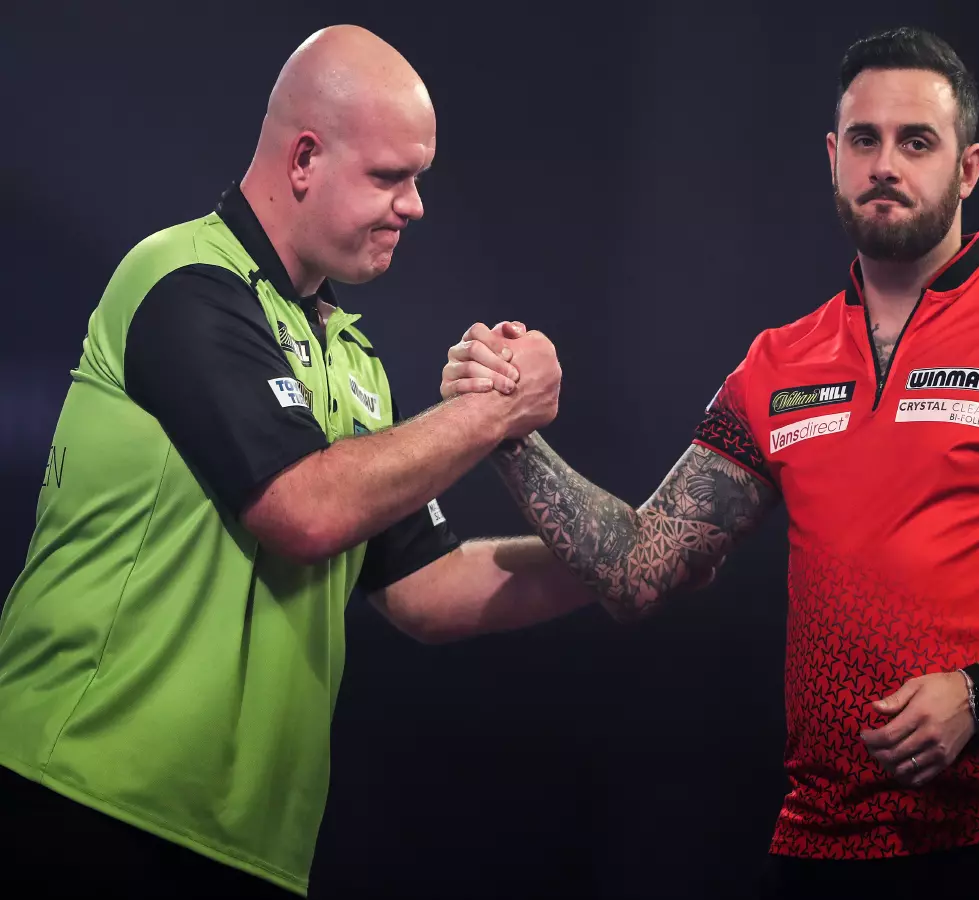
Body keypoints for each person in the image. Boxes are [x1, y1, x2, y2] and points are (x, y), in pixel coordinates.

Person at [442, 26, 979, 898]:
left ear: (968, 169)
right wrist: (500, 426)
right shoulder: (778, 364)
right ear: (832, 157)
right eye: (864, 140)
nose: (885, 165)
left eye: (916, 142)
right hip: (820, 843)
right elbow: (637, 570)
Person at [0, 25, 604, 898]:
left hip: (247, 844)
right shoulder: (182, 281)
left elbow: (427, 590)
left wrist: (619, 561)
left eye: (419, 179)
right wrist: (495, 409)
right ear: (305, 158)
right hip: (78, 796)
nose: (414, 206)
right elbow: (305, 512)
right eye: (390, 177)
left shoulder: (352, 359)